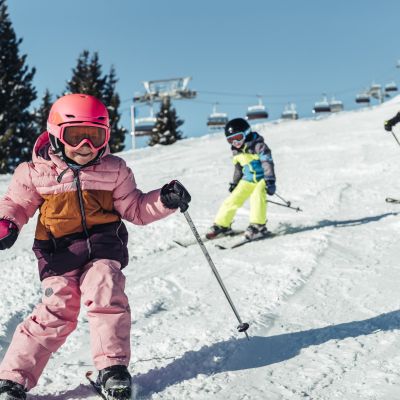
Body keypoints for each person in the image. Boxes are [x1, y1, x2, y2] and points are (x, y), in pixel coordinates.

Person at [0, 94, 190, 400]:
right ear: (55, 135)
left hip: (103, 248)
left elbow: (136, 208)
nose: (86, 146)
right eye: (76, 137)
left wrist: (164, 199)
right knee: (56, 311)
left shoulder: (114, 169)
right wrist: (6, 224)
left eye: (95, 136)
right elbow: (15, 204)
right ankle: (12, 379)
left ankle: (113, 369)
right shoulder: (36, 172)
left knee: (106, 289)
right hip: (58, 254)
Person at [206, 118, 276, 241]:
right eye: (230, 140)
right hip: (248, 180)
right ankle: (222, 225)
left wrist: (270, 180)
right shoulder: (236, 151)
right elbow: (238, 169)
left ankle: (258, 226)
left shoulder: (258, 146)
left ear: (247, 132)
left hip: (262, 179)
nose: (235, 142)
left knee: (257, 195)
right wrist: (235, 183)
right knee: (232, 199)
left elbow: (267, 162)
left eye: (238, 137)